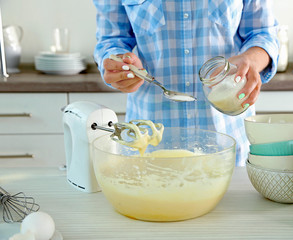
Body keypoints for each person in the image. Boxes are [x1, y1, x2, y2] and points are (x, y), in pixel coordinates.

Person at [93, 0, 279, 166]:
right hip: (148, 145)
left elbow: (263, 34)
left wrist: (251, 60)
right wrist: (120, 65)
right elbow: (111, 40)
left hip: (227, 144)